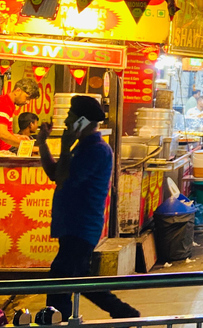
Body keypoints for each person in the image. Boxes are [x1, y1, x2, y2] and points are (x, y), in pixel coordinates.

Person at [37, 96, 139, 321]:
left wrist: (64, 146)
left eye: (69, 116)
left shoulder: (95, 150)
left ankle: (58, 321)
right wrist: (43, 144)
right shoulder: (82, 146)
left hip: (81, 226)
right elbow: (55, 174)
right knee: (80, 277)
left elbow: (62, 178)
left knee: (59, 280)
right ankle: (124, 313)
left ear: (81, 121)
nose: (65, 121)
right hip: (72, 225)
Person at [0, 78, 40, 151]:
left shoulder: (9, 105)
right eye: (27, 98)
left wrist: (16, 137)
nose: (28, 102)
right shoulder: (4, 103)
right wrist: (27, 146)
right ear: (18, 90)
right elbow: (2, 133)